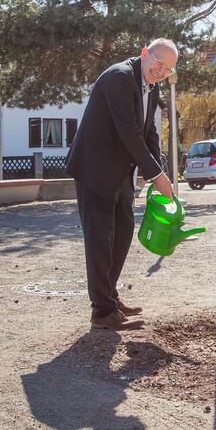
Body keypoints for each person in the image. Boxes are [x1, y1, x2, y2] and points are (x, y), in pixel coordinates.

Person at [66, 39, 177, 330]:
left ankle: (110, 298)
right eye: (158, 63)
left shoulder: (152, 86)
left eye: (168, 69)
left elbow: (149, 132)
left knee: (123, 232)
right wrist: (156, 176)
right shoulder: (119, 78)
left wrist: (161, 171)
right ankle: (102, 312)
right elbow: (129, 133)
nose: (161, 71)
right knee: (100, 239)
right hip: (95, 169)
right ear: (144, 54)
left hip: (119, 172)